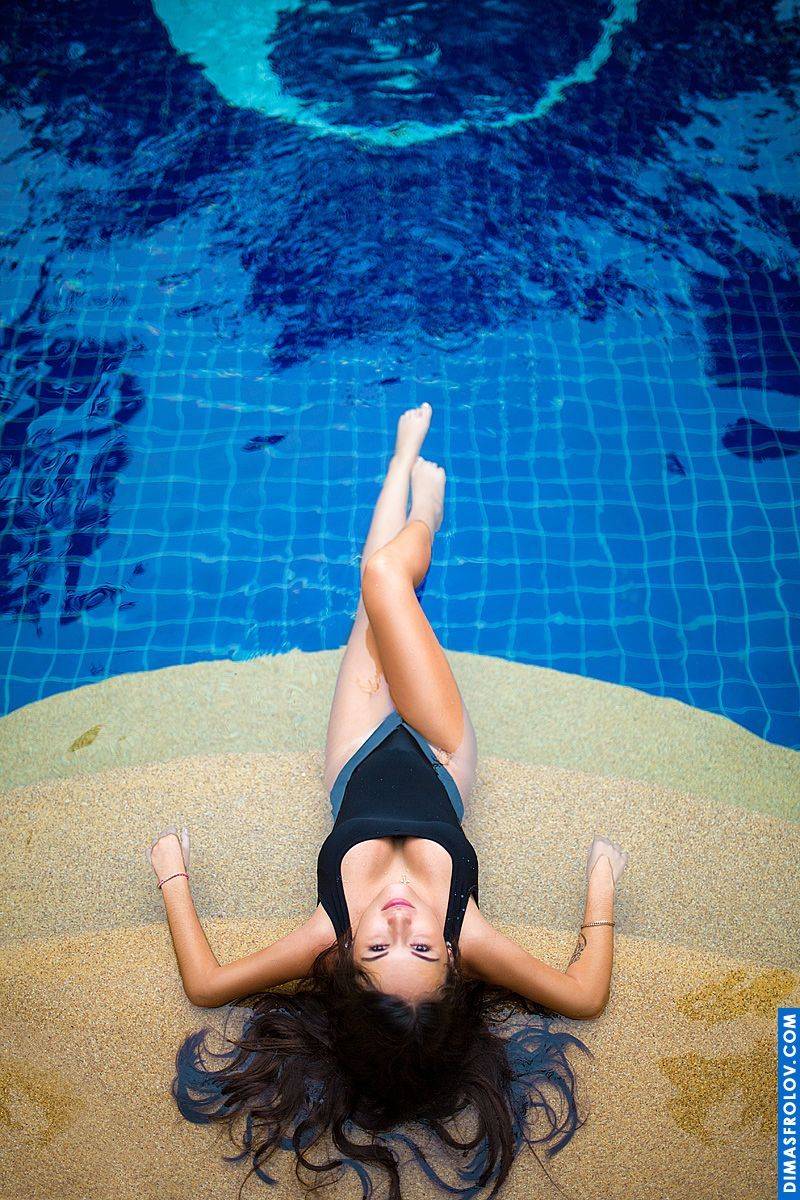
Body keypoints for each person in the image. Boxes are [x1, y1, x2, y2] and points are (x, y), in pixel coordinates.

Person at [147, 402, 629, 1200]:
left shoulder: (322, 934)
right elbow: (583, 993)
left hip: (356, 757)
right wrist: (603, 882)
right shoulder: (465, 930)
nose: (403, 923)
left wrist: (173, 877)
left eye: (379, 950)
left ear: (340, 964)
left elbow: (206, 983)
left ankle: (403, 461)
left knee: (369, 592)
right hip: (440, 754)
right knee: (383, 582)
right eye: (422, 951)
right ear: (451, 964)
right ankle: (428, 511)